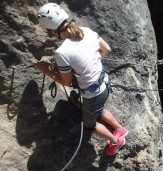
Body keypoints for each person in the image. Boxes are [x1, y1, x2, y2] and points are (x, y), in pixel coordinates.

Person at [35, 3, 128, 156]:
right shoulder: (85, 30)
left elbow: (65, 82)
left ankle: (116, 141)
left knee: (89, 125)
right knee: (98, 110)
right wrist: (92, 60)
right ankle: (120, 129)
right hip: (104, 81)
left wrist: (46, 70)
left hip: (93, 95)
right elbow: (107, 50)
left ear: (52, 31)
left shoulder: (62, 52)